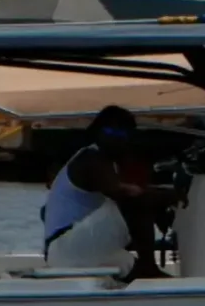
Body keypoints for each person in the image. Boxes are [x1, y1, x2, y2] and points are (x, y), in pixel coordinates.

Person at [42, 105, 186, 276]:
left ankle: (148, 274)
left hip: (81, 247)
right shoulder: (91, 159)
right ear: (97, 132)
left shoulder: (108, 163)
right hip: (68, 248)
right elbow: (123, 194)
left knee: (143, 277)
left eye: (124, 135)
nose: (118, 140)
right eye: (112, 133)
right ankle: (149, 266)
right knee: (133, 201)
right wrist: (169, 197)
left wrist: (160, 200)